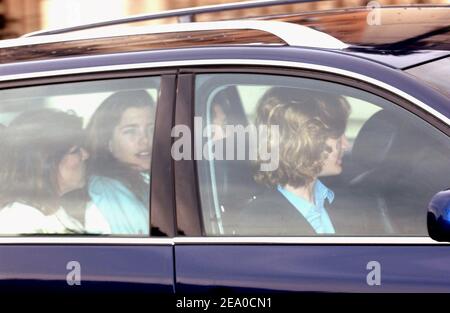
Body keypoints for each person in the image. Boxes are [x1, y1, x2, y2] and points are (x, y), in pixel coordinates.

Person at [236, 87, 350, 235]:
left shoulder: (336, 200)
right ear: (308, 142)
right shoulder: (261, 221)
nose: (346, 145)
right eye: (339, 136)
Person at [0, 109, 89, 234]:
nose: (85, 155)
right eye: (75, 151)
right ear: (44, 161)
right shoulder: (20, 223)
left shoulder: (53, 212)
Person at [85, 90, 155, 235]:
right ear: (107, 142)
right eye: (131, 131)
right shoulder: (105, 195)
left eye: (151, 129)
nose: (145, 140)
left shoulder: (144, 181)